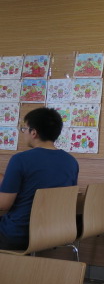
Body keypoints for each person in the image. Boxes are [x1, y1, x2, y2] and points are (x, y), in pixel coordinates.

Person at [0, 107, 79, 250]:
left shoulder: (20, 160)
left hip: (18, 234)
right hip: (54, 231)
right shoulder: (71, 161)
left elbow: (4, 204)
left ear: (33, 132)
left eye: (24, 129)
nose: (23, 133)